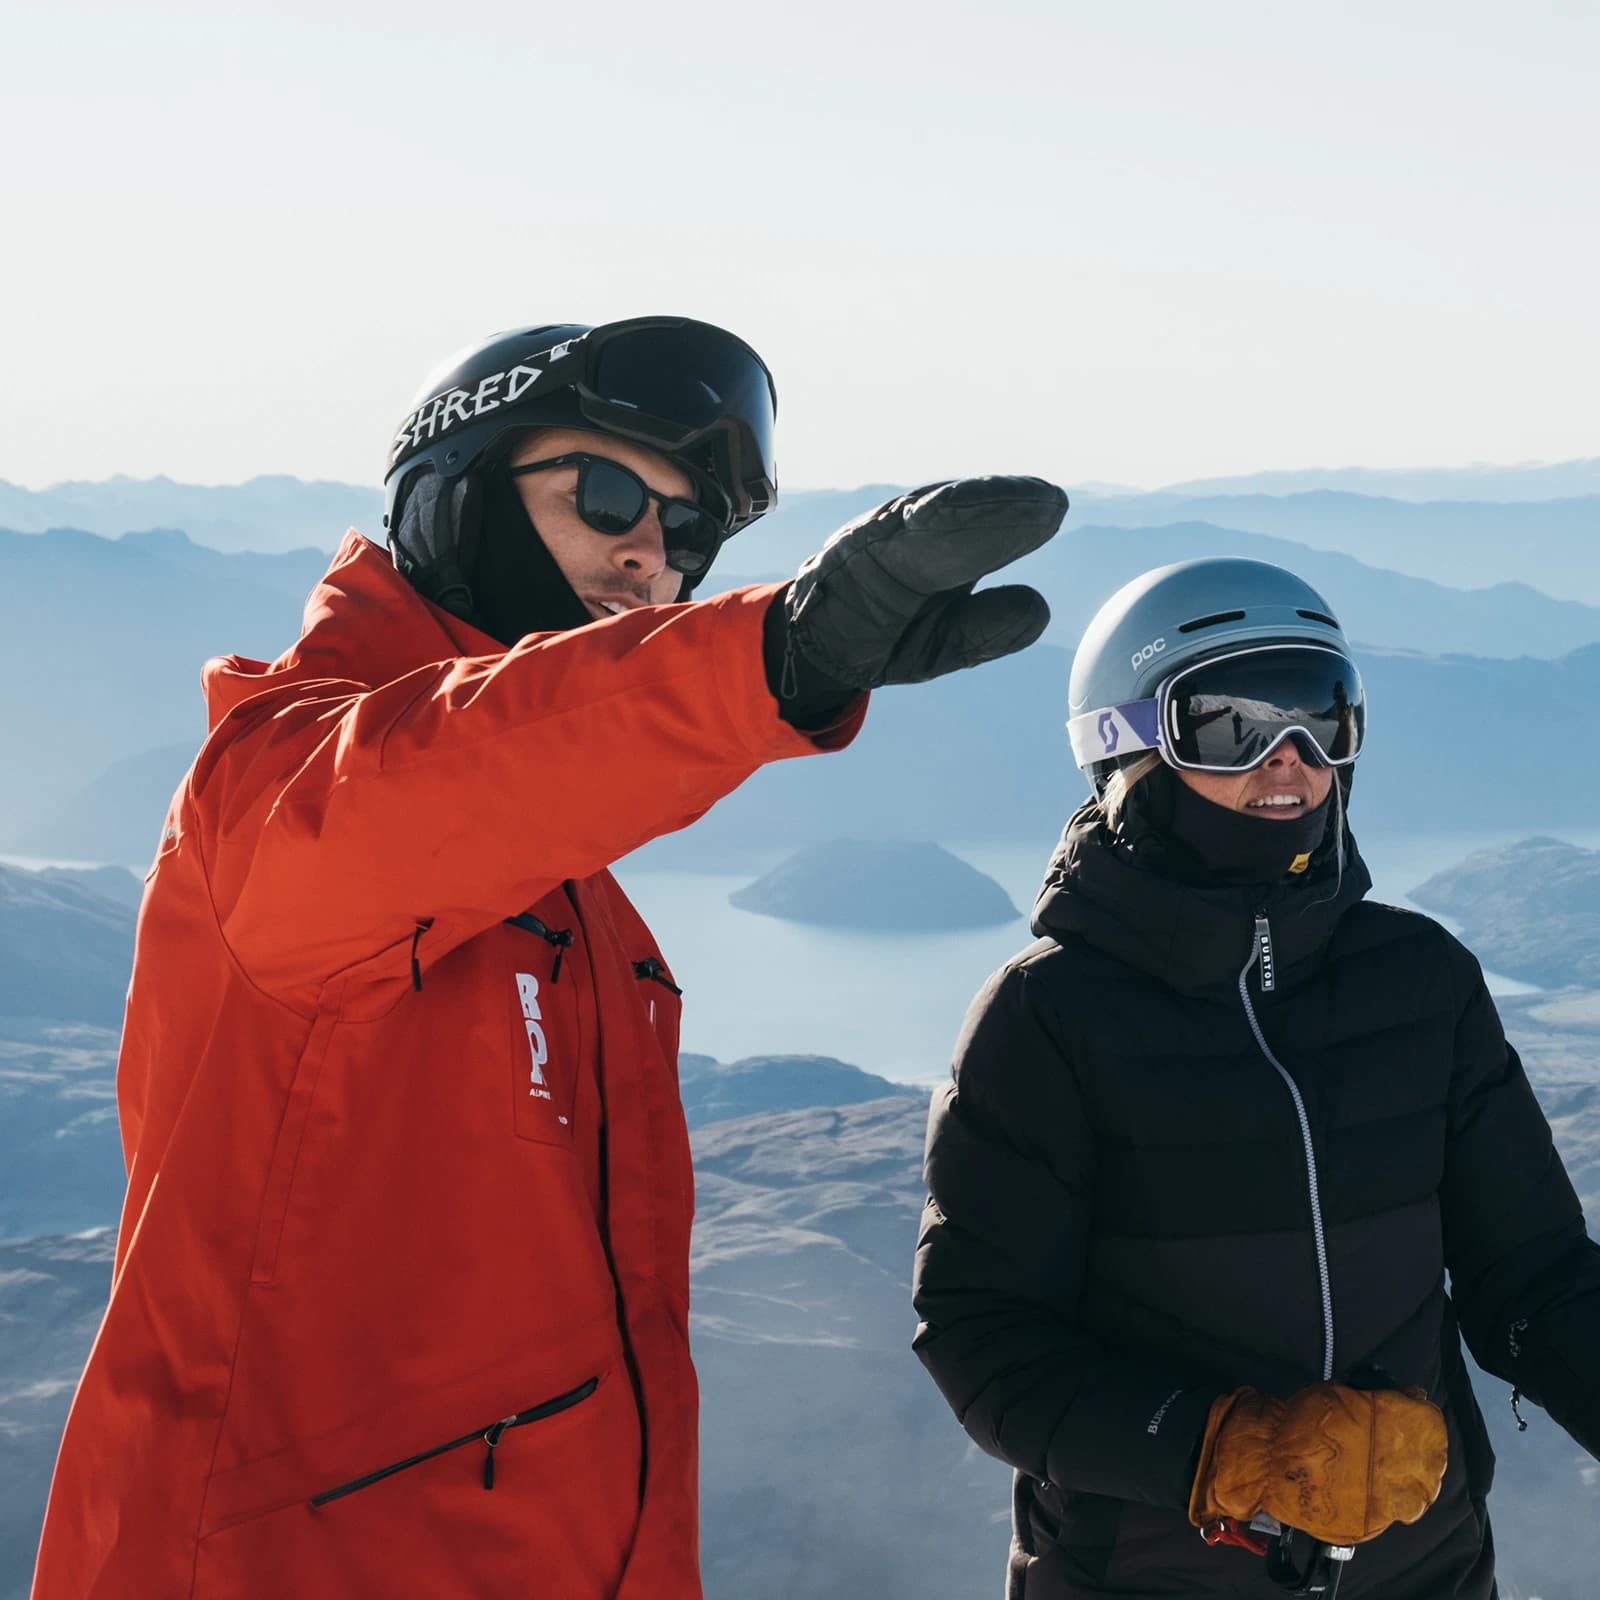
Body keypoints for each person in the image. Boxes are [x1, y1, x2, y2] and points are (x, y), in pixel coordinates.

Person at [30, 315, 1068, 1599]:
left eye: (688, 536)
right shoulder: (277, 795)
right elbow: (439, 779)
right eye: (613, 493)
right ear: (459, 496)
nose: (650, 554)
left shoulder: (564, 886)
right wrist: (775, 652)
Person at [912, 557, 1600, 1599]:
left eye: (1324, 714)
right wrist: (1221, 1449)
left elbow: (1533, 1278)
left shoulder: (1419, 983)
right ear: (1127, 743)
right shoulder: (1047, 1020)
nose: (1292, 762)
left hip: (1426, 1567)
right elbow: (984, 1341)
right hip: (1143, 1578)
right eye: (1231, 724)